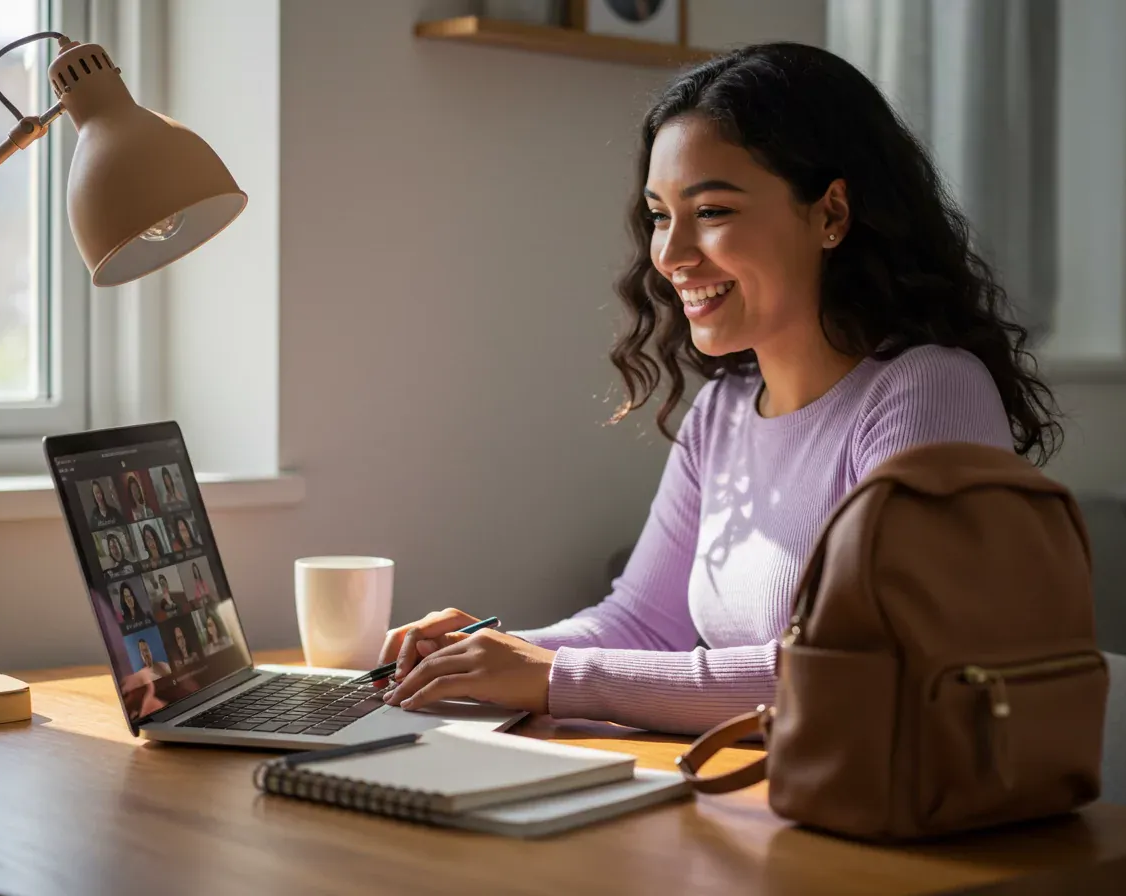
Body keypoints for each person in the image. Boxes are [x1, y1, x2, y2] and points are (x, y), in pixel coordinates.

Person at [373, 43, 1062, 735]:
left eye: (711, 213)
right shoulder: (724, 411)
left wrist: (551, 677)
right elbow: (643, 622)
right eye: (660, 216)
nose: (670, 256)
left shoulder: (929, 391)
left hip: (907, 832)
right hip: (764, 799)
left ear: (831, 215)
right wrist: (485, 657)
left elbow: (864, 669)